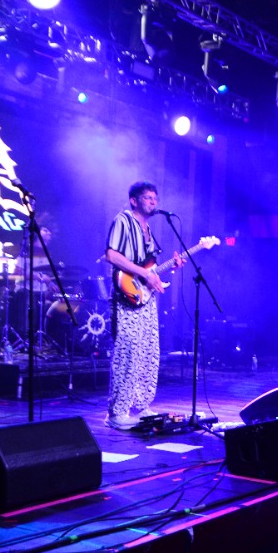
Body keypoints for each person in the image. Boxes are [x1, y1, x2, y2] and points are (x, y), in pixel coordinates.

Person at [104, 181, 182, 430]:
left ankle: (142, 404)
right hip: (126, 296)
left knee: (148, 351)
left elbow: (150, 267)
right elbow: (112, 255)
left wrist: (162, 272)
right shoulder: (123, 220)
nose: (153, 202)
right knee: (128, 351)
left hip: (146, 298)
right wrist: (145, 274)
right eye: (148, 198)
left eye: (155, 198)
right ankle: (117, 412)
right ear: (134, 201)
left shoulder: (148, 228)